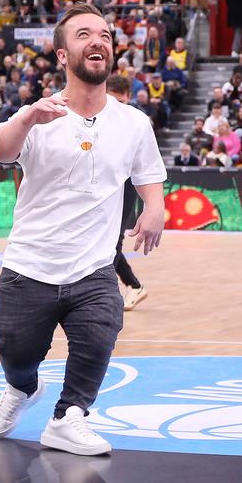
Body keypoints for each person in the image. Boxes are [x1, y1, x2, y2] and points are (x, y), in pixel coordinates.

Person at [0, 4, 166, 455]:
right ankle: (23, 390)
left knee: (100, 333)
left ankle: (69, 417)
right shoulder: (39, 113)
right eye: (84, 35)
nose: (98, 41)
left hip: (94, 268)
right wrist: (26, 118)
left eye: (104, 34)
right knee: (16, 353)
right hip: (30, 265)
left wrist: (155, 207)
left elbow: (148, 174)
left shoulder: (133, 122)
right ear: (63, 55)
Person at [106, 75, 148, 312]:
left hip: (126, 184)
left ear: (129, 98)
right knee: (106, 241)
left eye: (121, 101)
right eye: (112, 101)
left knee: (113, 242)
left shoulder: (136, 122)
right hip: (105, 185)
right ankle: (133, 285)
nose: (117, 106)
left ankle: (110, 293)